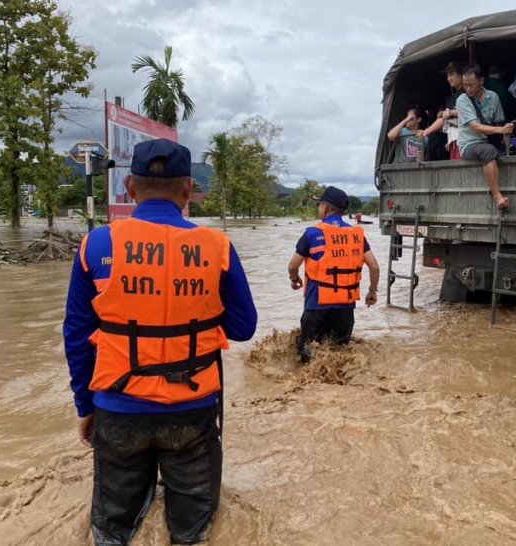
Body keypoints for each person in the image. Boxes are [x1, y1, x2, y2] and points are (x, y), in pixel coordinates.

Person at [63, 138, 258, 545]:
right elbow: (243, 327)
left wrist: (86, 406)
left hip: (117, 408)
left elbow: (77, 338)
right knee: (192, 532)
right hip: (193, 410)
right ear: (188, 191)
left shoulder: (96, 245)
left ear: (130, 189)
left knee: (111, 531)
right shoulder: (218, 247)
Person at [287, 186, 381, 362]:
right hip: (345, 309)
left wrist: (294, 280)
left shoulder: (312, 233)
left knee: (308, 358)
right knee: (340, 357)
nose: (318, 209)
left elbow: (293, 266)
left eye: (319, 205)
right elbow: (374, 267)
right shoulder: (356, 235)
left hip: (316, 307)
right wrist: (372, 291)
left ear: (325, 207)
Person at [455, 64, 515, 209]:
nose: (468, 89)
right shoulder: (462, 100)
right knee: (487, 151)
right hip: (469, 144)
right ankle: (498, 197)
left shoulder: (493, 97)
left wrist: (507, 131)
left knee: (501, 150)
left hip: (489, 141)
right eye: (465, 85)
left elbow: (500, 121)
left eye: (471, 85)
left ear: (481, 81)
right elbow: (475, 127)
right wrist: (500, 130)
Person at [417, 61, 465, 160]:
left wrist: (426, 132)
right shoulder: (452, 97)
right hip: (454, 140)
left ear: (461, 75)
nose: (448, 78)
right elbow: (444, 119)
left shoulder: (466, 94)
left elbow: (445, 119)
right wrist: (427, 131)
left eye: (451, 74)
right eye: (447, 76)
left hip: (464, 140)